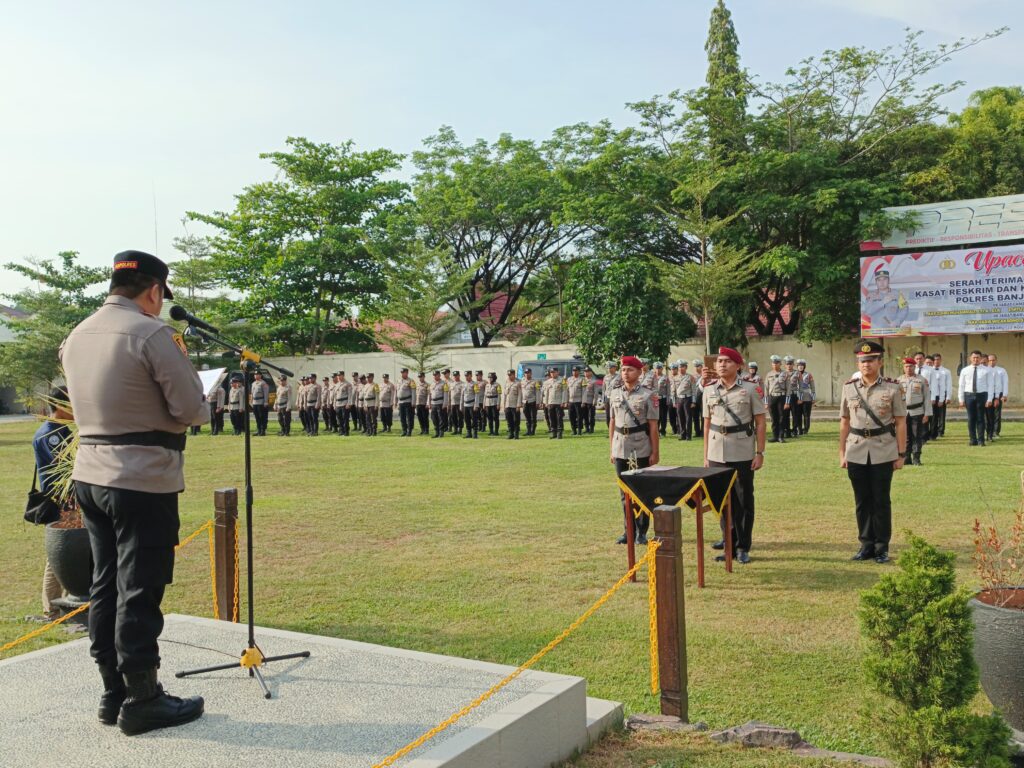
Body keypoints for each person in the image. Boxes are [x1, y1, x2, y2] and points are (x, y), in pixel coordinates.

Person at [59, 250, 206, 735]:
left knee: (105, 585)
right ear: (154, 290)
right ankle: (144, 699)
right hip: (142, 476)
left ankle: (112, 692)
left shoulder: (77, 334)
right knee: (141, 587)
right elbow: (190, 409)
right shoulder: (152, 333)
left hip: (91, 474)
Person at [839, 340, 907, 564]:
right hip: (856, 449)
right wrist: (842, 453)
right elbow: (844, 422)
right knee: (861, 501)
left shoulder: (892, 387)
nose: (865, 364)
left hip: (883, 450)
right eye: (861, 360)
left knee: (881, 500)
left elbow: (900, 422)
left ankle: (881, 547)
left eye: (870, 360)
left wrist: (901, 453)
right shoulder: (849, 387)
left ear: (880, 362)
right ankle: (865, 545)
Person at [701, 347, 766, 565]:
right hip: (716, 450)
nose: (721, 365)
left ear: (738, 365)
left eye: (727, 361)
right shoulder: (709, 390)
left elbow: (760, 422)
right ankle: (728, 544)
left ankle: (743, 546)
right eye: (719, 361)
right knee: (721, 500)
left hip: (742, 451)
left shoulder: (750, 389)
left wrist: (759, 452)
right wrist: (706, 455)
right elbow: (707, 424)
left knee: (743, 499)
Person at [29, 387, 74, 623]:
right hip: (61, 503)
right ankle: (51, 609)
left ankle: (70, 604)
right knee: (58, 556)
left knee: (74, 554)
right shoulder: (51, 434)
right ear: (59, 405)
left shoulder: (61, 430)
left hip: (71, 501)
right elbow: (66, 466)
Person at [608, 355, 659, 545]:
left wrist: (655, 452)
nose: (625, 373)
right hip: (621, 446)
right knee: (624, 493)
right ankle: (628, 530)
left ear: (639, 372)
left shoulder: (648, 394)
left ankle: (642, 531)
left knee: (642, 491)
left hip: (641, 446)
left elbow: (653, 426)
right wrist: (612, 448)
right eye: (623, 370)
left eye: (629, 369)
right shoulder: (614, 393)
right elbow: (612, 422)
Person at [897, 357, 932, 465]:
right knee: (905, 436)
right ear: (903, 367)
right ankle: (907, 458)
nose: (908, 369)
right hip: (903, 412)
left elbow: (927, 397)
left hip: (917, 411)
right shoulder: (898, 380)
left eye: (911, 366)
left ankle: (916, 458)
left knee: (917, 435)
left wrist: (927, 414)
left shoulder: (921, 380)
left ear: (914, 367)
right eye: (906, 366)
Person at [957, 350, 993, 446]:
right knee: (971, 418)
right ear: (970, 358)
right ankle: (973, 440)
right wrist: (961, 399)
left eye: (977, 357)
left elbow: (990, 385)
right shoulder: (965, 370)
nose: (976, 359)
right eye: (974, 357)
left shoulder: (987, 370)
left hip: (982, 395)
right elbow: (961, 385)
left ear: (981, 358)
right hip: (969, 395)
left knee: (981, 418)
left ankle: (981, 440)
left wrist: (989, 399)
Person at [764, 355, 790, 443]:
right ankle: (775, 436)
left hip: (781, 397)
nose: (775, 365)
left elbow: (788, 389)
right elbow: (766, 389)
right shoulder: (769, 374)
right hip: (772, 397)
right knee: (773, 418)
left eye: (777, 363)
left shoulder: (785, 374)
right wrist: (766, 402)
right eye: (773, 363)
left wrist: (787, 402)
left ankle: (781, 436)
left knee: (781, 417)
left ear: (780, 364)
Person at [929, 354, 951, 439]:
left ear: (941, 360)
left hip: (941, 394)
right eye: (934, 360)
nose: (936, 361)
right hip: (932, 395)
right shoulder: (930, 371)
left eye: (938, 359)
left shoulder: (946, 371)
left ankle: (941, 431)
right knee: (933, 415)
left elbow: (948, 385)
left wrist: (948, 397)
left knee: (941, 414)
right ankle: (933, 431)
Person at [987, 354, 1008, 440]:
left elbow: (1005, 383)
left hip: (998, 394)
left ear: (996, 360)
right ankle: (988, 432)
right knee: (987, 414)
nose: (992, 362)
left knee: (996, 414)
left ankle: (996, 432)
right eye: (990, 360)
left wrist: (1004, 395)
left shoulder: (1001, 371)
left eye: (993, 360)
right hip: (987, 394)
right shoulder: (985, 370)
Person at [674, 361, 695, 440]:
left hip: (687, 398)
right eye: (679, 367)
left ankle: (688, 436)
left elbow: (694, 390)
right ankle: (682, 435)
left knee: (688, 417)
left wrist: (693, 401)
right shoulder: (675, 377)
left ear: (686, 367)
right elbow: (674, 391)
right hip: (679, 399)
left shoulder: (690, 377)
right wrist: (674, 401)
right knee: (680, 417)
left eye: (682, 366)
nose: (681, 368)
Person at [796, 360, 815, 434]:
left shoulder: (808, 375)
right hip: (797, 397)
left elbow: (812, 387)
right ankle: (799, 429)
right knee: (798, 414)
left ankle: (806, 429)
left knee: (806, 414)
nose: (800, 367)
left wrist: (813, 397)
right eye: (799, 365)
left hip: (807, 397)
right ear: (797, 367)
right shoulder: (795, 374)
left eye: (802, 365)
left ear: (804, 367)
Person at [503, 369, 523, 439]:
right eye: (508, 375)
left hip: (515, 405)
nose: (509, 376)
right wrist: (504, 405)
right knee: (509, 420)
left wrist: (518, 405)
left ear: (514, 375)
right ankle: (510, 433)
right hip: (508, 405)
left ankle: (516, 434)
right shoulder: (506, 382)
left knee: (516, 420)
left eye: (510, 375)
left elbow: (520, 395)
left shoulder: (518, 383)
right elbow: (505, 395)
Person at [521, 368, 541, 436]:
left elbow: (538, 392)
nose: (527, 374)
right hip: (525, 402)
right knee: (527, 417)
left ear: (531, 373)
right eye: (526, 373)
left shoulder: (535, 382)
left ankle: (532, 431)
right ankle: (528, 430)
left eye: (528, 373)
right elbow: (521, 392)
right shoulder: (522, 381)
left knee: (533, 417)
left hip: (532, 401)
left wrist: (538, 402)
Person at [249, 371, 270, 437]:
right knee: (257, 417)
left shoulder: (263, 383)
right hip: (255, 402)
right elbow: (252, 394)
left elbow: (266, 393)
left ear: (260, 375)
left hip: (261, 402)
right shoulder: (253, 383)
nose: (256, 376)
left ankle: (263, 430)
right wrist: (251, 402)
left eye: (257, 374)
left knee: (262, 417)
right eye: (255, 374)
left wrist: (265, 402)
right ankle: (258, 430)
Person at [429, 370, 449, 438]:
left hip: (440, 403)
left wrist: (445, 404)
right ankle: (436, 432)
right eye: (434, 375)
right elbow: (430, 394)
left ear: (439, 375)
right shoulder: (432, 384)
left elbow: (446, 394)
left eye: (436, 375)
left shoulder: (444, 383)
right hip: (433, 403)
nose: (435, 376)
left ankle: (441, 432)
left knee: (441, 418)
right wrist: (429, 403)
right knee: (434, 418)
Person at [397, 368, 415, 437]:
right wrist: (397, 402)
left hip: (408, 401)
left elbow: (413, 392)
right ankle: (404, 430)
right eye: (401, 372)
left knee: (409, 417)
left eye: (403, 372)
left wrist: (413, 402)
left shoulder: (411, 381)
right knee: (402, 417)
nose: (402, 374)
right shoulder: (399, 380)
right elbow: (397, 391)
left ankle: (409, 431)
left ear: (407, 373)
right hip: (401, 401)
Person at [566, 366, 585, 435]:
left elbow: (584, 391)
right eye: (573, 371)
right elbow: (567, 391)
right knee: (571, 416)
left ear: (579, 372)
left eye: (576, 371)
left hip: (579, 400)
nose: (574, 372)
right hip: (571, 401)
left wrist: (583, 401)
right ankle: (573, 430)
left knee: (579, 416)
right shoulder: (569, 379)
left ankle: (579, 430)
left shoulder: (582, 379)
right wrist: (566, 401)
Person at [462, 369, 479, 439]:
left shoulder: (475, 384)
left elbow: (477, 395)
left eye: (467, 376)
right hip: (466, 404)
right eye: (465, 376)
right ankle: (469, 433)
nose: (466, 377)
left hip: (472, 404)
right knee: (467, 419)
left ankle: (475, 433)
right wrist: (461, 405)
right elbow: (462, 395)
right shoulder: (464, 384)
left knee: (474, 419)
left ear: (471, 376)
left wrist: (476, 405)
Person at [582, 368, 599, 433]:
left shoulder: (594, 381)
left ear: (591, 373)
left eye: (587, 372)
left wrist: (595, 401)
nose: (586, 373)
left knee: (591, 416)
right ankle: (586, 428)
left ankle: (591, 428)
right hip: (584, 401)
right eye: (585, 372)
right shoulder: (583, 380)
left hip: (591, 401)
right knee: (585, 415)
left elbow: (596, 392)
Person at [449, 371, 464, 435]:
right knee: (453, 416)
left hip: (459, 403)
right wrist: (449, 403)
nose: (455, 377)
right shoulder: (451, 384)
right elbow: (449, 394)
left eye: (456, 375)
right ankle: (455, 429)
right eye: (454, 376)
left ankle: (460, 429)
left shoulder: (462, 384)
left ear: (459, 376)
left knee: (460, 416)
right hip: (453, 403)